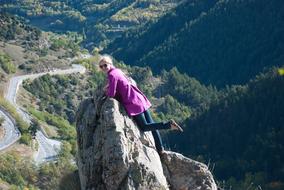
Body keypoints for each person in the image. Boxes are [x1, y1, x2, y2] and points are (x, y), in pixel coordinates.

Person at [98, 54, 183, 154]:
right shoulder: (117, 71)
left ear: (110, 64)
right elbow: (121, 80)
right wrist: (110, 84)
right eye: (101, 66)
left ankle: (168, 125)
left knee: (144, 126)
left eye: (105, 65)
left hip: (133, 102)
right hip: (139, 98)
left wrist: (105, 90)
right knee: (152, 124)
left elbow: (111, 94)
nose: (103, 68)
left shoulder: (111, 75)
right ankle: (160, 148)